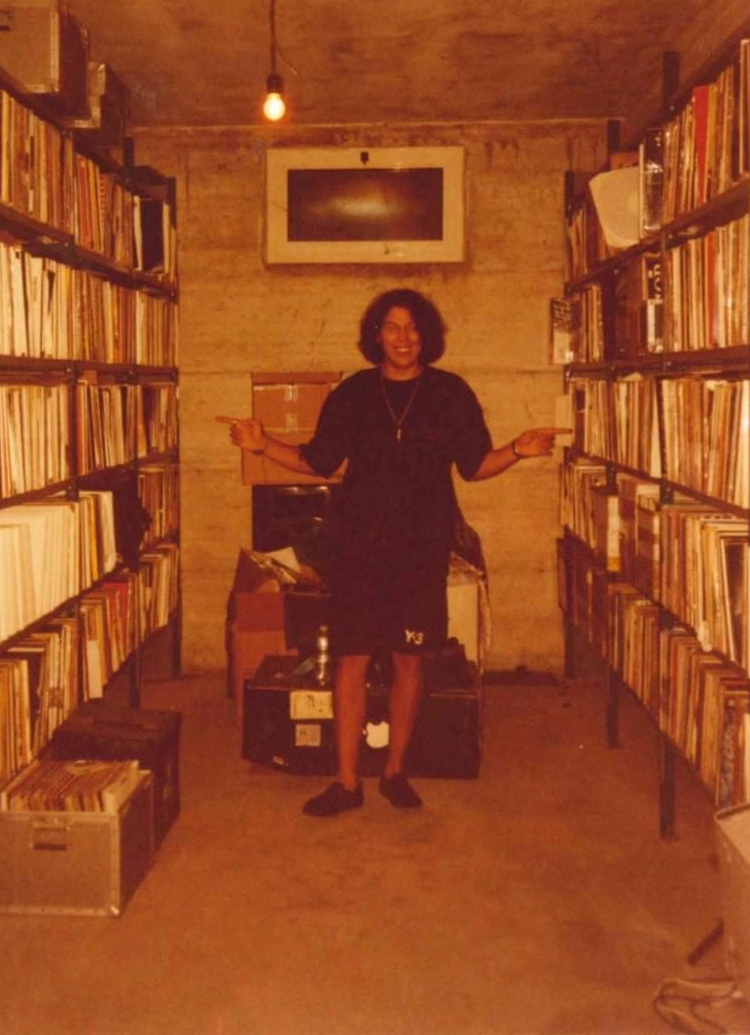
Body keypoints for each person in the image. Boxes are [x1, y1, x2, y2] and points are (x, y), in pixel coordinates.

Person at [218, 288, 567, 817]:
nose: (402, 338)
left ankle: (395, 771)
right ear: (376, 335)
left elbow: (475, 465)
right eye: (391, 327)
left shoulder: (450, 393)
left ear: (426, 336)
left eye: (412, 328)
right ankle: (346, 782)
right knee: (351, 659)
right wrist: (262, 444)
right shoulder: (353, 393)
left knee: (409, 659)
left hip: (422, 547)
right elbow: (317, 461)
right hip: (357, 546)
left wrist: (519, 449)